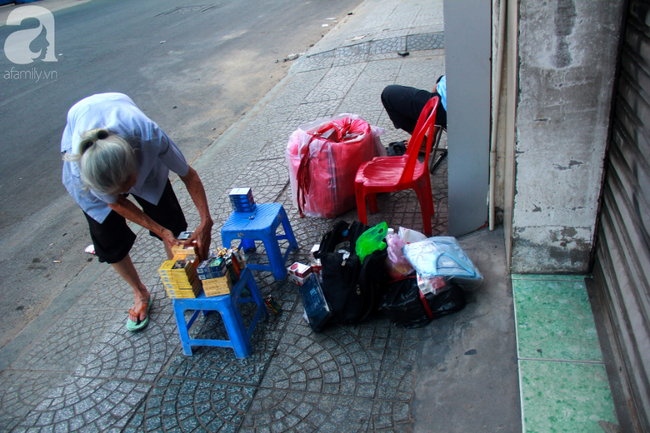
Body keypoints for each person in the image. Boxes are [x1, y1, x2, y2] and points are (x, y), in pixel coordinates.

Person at [61, 92, 213, 332]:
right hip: (83, 135)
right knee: (109, 240)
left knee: (171, 221)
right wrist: (159, 231)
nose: (127, 193)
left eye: (129, 185)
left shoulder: (147, 136)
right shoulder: (83, 169)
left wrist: (206, 221)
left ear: (135, 161)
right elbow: (117, 204)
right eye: (117, 190)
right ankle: (140, 293)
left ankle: (184, 280)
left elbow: (188, 175)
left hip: (123, 118)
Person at [381, 75, 447, 152]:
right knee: (441, 79)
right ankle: (429, 134)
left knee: (389, 94)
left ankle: (422, 140)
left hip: (451, 109)